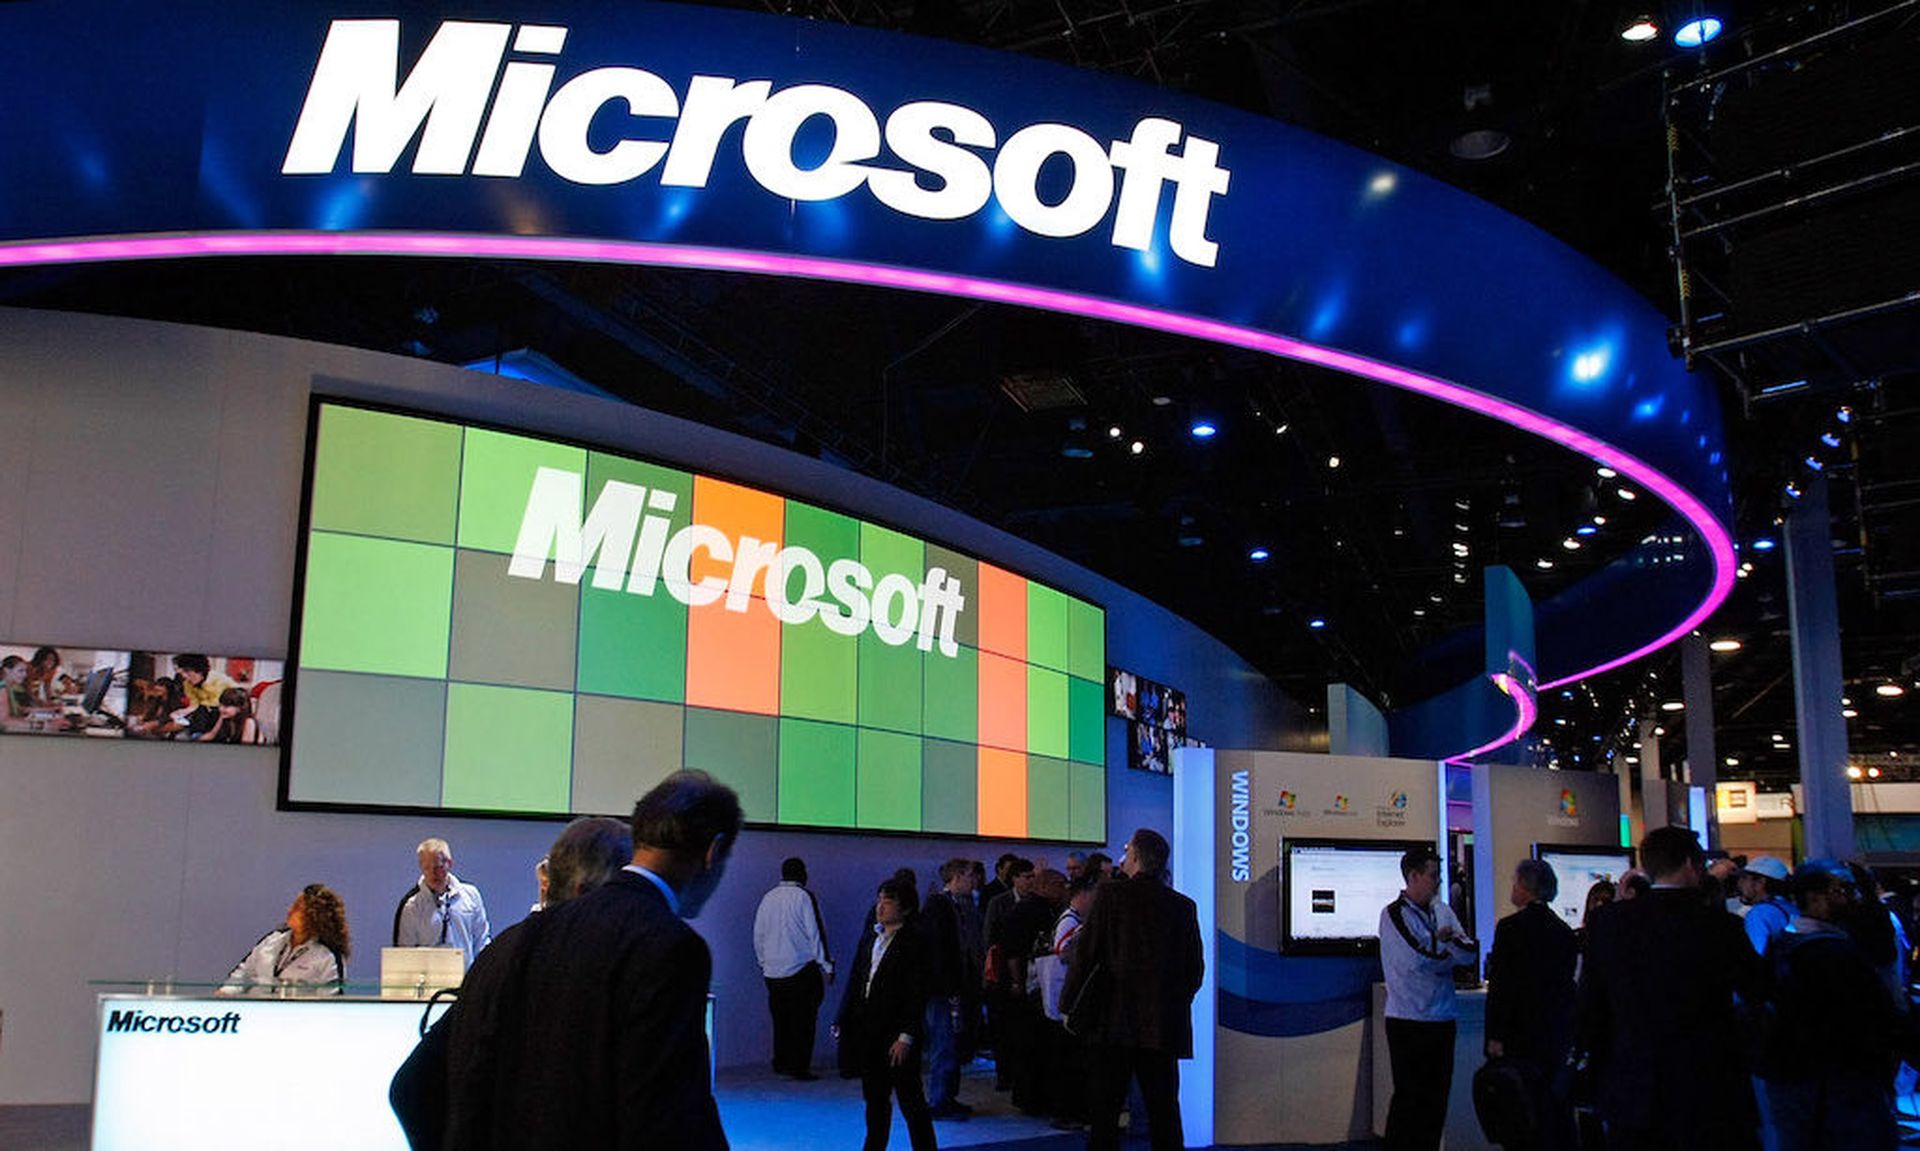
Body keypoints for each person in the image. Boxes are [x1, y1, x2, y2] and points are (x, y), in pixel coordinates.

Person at [438, 771, 740, 1149]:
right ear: (713, 852)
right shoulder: (670, 946)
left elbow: (458, 1086)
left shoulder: (525, 936)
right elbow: (665, 1119)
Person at [393, 815, 632, 1151]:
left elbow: (411, 1088)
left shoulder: (504, 949)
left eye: (443, 862)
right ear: (585, 891)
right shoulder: (579, 971)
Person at [1575, 825, 1765, 1151]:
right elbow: (1758, 990)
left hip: (1632, 1087)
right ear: (1692, 865)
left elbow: (1591, 1005)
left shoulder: (1608, 924)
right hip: (1708, 1088)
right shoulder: (1720, 926)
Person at [1059, 828, 1203, 1151]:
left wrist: (1068, 1005)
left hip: (1113, 1025)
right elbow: (1194, 971)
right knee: (1164, 1113)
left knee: (1105, 1115)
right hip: (1163, 1027)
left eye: (1127, 851)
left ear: (1136, 858)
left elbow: (1086, 956)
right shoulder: (1183, 907)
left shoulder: (1111, 896)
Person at [1756, 858, 1899, 1151]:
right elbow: (1881, 1015)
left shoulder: (1781, 947)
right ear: (1815, 898)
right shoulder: (1838, 954)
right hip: (1844, 1086)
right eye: (1842, 890)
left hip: (1792, 1082)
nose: (1852, 897)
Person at [1378, 843, 1477, 1151]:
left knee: (1436, 1104)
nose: (1438, 882)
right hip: (1409, 1021)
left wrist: (1445, 946)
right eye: (1432, 875)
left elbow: (1468, 953)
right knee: (1409, 1102)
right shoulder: (1393, 914)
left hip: (1442, 1020)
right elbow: (1420, 958)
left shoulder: (1441, 910)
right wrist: (1445, 946)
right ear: (1413, 875)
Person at [835, 876, 938, 1151]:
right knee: (875, 1099)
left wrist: (906, 1035)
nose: (881, 906)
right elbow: (857, 978)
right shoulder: (871, 937)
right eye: (879, 900)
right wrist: (843, 1016)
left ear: (904, 908)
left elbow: (916, 992)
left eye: (888, 901)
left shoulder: (914, 943)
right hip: (869, 1030)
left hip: (896, 1032)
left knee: (910, 1098)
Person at [1484, 858, 1578, 1151]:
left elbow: (1502, 986)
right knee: (1549, 1112)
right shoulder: (1563, 930)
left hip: (1518, 1036)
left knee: (1519, 1112)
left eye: (1514, 881)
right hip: (1552, 1037)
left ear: (1525, 887)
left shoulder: (1510, 928)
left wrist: (1495, 1035)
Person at [754, 856, 835, 1080]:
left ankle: (781, 1061)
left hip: (772, 971)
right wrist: (826, 965)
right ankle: (799, 1067)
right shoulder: (804, 897)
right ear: (801, 874)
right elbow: (815, 933)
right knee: (804, 1021)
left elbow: (758, 934)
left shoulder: (768, 897)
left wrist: (763, 962)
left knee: (781, 1020)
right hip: (800, 969)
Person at [920, 857, 977, 1118]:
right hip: (943, 990)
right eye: (968, 876)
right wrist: (949, 984)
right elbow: (939, 951)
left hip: (947, 987)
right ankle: (939, 1100)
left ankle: (946, 1097)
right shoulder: (940, 907)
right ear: (955, 877)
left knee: (949, 1043)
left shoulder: (950, 905)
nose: (973, 881)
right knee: (943, 1044)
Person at [221, 883, 349, 993]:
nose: (290, 910)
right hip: (257, 1013)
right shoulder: (272, 940)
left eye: (297, 908)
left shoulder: (327, 956)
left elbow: (330, 1003)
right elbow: (244, 972)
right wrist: (226, 992)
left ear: (314, 916)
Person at [394, 836, 492, 966]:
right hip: (429, 982)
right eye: (426, 868)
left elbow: (482, 941)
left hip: (467, 979)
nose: (432, 873)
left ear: (449, 864)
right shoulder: (412, 905)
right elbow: (405, 953)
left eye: (438, 867)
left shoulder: (471, 895)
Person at [1737, 857, 1794, 956]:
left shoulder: (1759, 914)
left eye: (1744, 878)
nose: (1740, 883)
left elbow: (1756, 956)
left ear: (1760, 882)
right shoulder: (1792, 907)